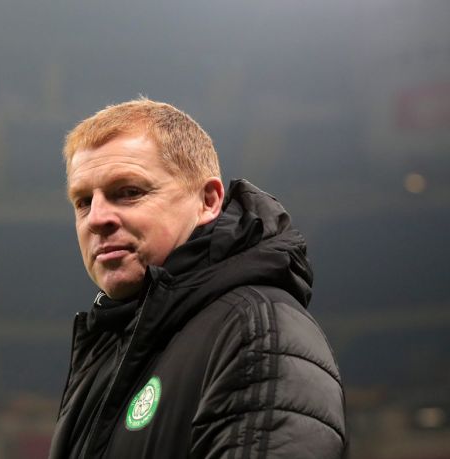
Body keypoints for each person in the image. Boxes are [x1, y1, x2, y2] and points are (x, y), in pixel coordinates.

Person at [49, 98, 346, 458]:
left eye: (128, 192)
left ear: (208, 200)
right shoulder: (106, 349)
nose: (97, 218)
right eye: (83, 201)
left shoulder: (257, 331)